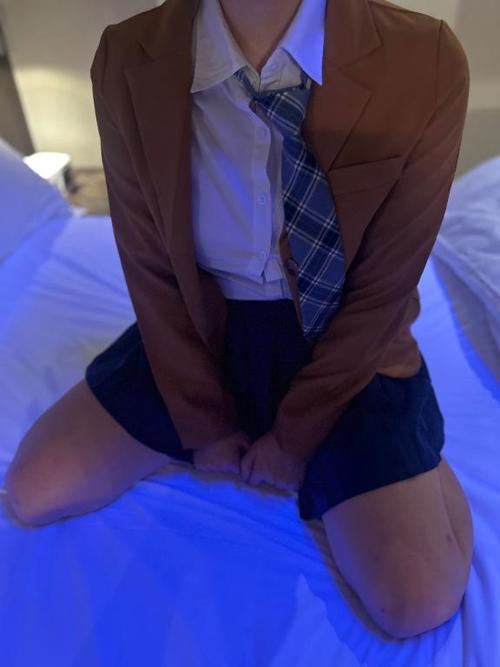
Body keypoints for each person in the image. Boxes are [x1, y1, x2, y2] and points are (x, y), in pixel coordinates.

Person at [5, 0, 474, 638]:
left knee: (418, 601)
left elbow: (385, 288)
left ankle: (422, 452)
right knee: (33, 489)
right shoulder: (128, 57)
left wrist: (295, 440)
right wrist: (202, 422)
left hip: (344, 342)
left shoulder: (425, 58)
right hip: (204, 328)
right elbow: (149, 263)